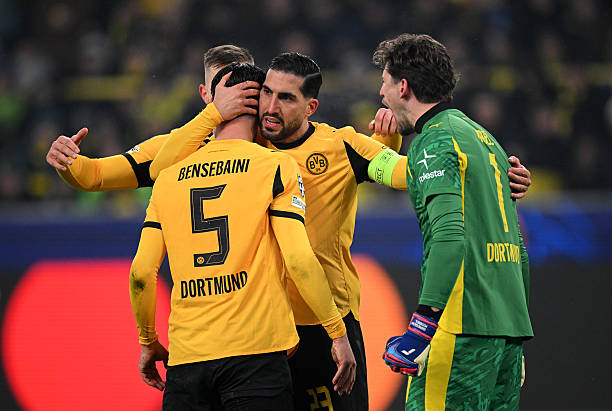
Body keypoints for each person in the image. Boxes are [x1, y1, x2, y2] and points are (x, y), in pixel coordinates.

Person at [148, 52, 532, 411]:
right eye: (266, 94)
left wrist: (492, 169)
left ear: (310, 107)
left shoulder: (341, 146)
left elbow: (407, 172)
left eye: (286, 98)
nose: (271, 106)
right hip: (261, 332)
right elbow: (153, 169)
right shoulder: (241, 144)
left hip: (327, 327)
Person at [129, 63, 355, 411]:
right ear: (255, 104)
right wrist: (337, 333)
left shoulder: (168, 178)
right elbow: (299, 260)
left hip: (187, 360)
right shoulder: (274, 166)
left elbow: (141, 273)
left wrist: (148, 340)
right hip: (256, 357)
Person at [373, 34, 533, 410]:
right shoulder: (484, 139)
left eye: (384, 82)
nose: (381, 93)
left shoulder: (434, 142)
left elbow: (449, 236)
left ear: (403, 86)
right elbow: (518, 245)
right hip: (507, 332)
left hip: (459, 326)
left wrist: (421, 327)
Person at [45, 45, 259, 189]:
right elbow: (96, 175)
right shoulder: (172, 148)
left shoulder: (273, 142)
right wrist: (67, 160)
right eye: (222, 86)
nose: (232, 94)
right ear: (205, 94)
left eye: (240, 83)